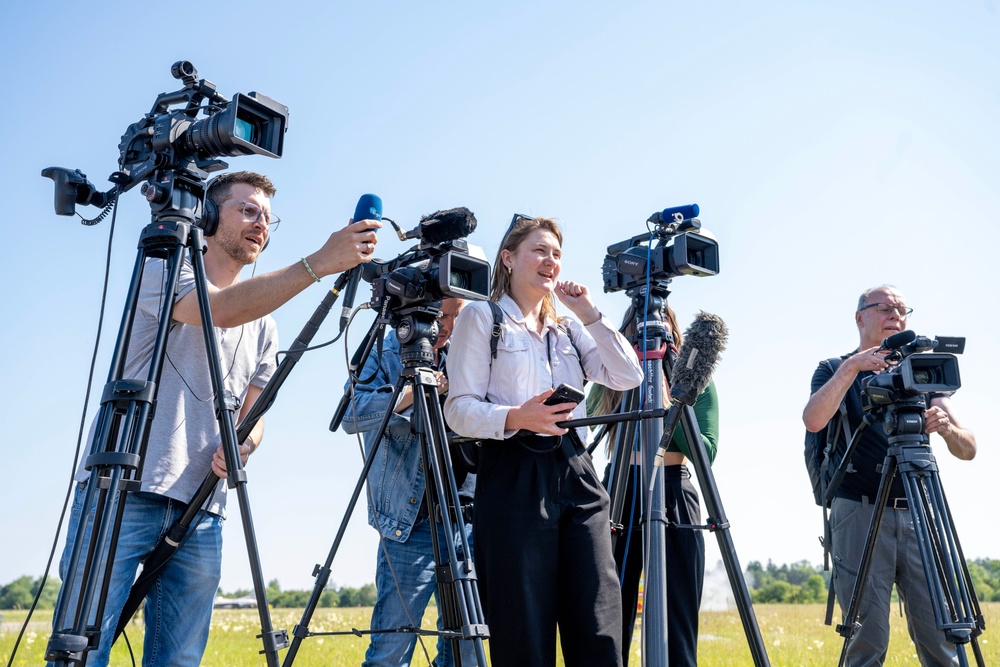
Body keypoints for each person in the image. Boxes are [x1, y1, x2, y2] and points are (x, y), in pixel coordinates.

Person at [50, 171, 381, 667]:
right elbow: (218, 311)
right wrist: (318, 264)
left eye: (268, 216)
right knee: (84, 652)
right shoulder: (165, 269)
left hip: (204, 508)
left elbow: (255, 412)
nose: (260, 223)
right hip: (124, 491)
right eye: (248, 210)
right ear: (207, 215)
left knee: (180, 659)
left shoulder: (266, 322)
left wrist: (247, 444)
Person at [443, 215, 643, 667]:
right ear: (509, 259)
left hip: (576, 470)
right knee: (523, 630)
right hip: (512, 475)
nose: (550, 260)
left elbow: (628, 376)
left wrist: (590, 313)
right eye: (539, 250)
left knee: (598, 620)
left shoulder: (571, 328)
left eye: (556, 253)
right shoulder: (482, 316)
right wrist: (518, 416)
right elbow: (458, 409)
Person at [802, 285, 976, 667]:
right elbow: (814, 419)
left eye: (902, 309)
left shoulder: (923, 372)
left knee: (943, 634)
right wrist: (854, 367)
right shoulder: (834, 368)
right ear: (860, 316)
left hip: (920, 512)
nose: (896, 315)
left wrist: (945, 428)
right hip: (858, 512)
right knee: (867, 639)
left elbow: (969, 449)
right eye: (885, 308)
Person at [340, 297, 478, 667]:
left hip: (471, 519)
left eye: (457, 315)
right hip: (409, 521)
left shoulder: (476, 351)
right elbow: (352, 413)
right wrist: (418, 389)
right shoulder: (386, 348)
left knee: (466, 649)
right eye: (441, 314)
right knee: (391, 651)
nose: (447, 324)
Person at [588, 304, 719, 667]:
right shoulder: (610, 378)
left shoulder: (698, 381)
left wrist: (672, 407)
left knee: (677, 614)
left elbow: (706, 453)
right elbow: (588, 427)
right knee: (610, 613)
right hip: (618, 490)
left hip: (674, 488)